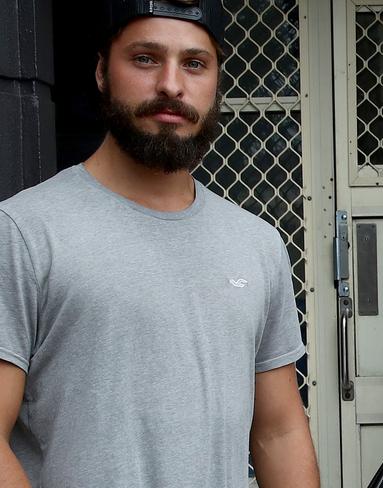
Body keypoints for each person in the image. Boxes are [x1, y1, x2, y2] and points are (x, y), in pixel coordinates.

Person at [0, 1, 319, 486]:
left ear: (215, 82)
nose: (172, 84)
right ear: (103, 72)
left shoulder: (257, 244)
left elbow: (279, 431)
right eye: (146, 58)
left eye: (194, 63)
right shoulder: (24, 232)